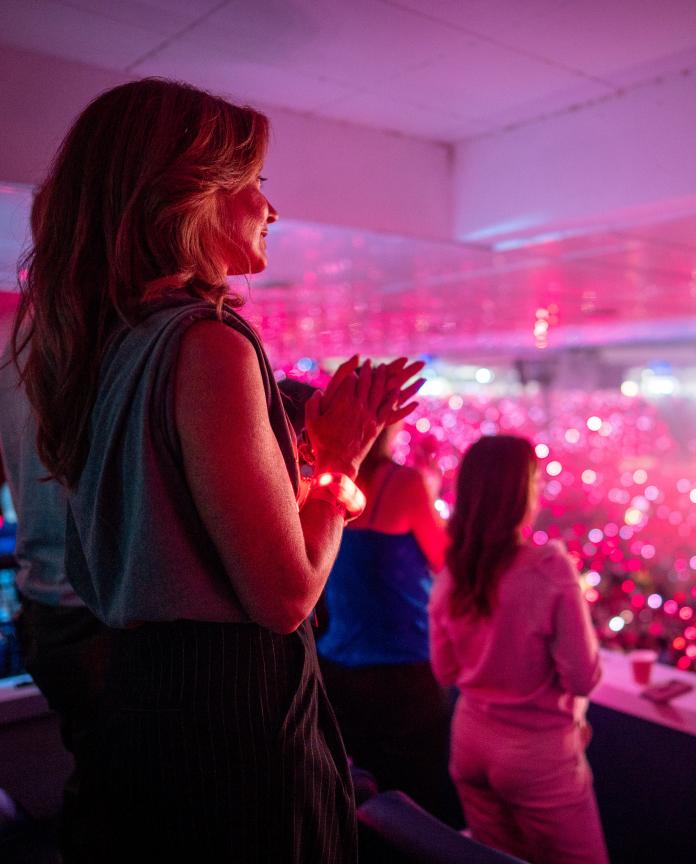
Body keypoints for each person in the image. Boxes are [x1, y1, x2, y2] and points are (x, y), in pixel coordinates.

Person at [14, 77, 423, 861]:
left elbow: (195, 540)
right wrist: (341, 460)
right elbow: (283, 595)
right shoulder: (209, 342)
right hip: (231, 717)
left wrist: (307, 463)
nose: (271, 207)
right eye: (255, 183)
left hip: (145, 704)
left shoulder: (113, 343)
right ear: (189, 196)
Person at [430, 435, 608, 864]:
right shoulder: (550, 568)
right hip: (537, 754)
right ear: (520, 493)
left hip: (470, 741)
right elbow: (583, 677)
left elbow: (444, 671)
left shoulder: (453, 571)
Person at [0, 334, 112, 862]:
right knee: (135, 790)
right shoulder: (103, 339)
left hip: (43, 607)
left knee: (97, 774)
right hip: (94, 609)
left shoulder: (13, 349)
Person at [318, 422, 461, 825]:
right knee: (417, 807)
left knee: (359, 801)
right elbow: (443, 559)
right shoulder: (405, 482)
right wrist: (429, 492)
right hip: (402, 670)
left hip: (337, 666)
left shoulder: (329, 480)